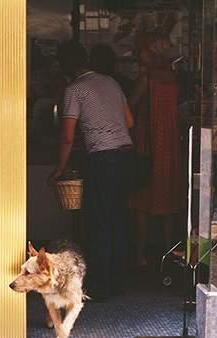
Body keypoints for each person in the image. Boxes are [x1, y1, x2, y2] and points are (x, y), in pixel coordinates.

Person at [48, 40, 135, 303]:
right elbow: (128, 122)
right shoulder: (111, 82)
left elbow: (67, 136)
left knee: (99, 225)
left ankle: (98, 288)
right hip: (127, 156)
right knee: (118, 221)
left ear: (65, 66)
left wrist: (59, 169)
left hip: (103, 160)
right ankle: (117, 283)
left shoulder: (74, 89)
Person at [126, 32, 182, 269]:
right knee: (167, 201)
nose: (137, 53)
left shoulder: (145, 79)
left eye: (141, 49)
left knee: (142, 202)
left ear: (152, 51)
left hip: (148, 146)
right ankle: (168, 253)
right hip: (170, 145)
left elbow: (126, 110)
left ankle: (140, 256)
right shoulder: (173, 79)